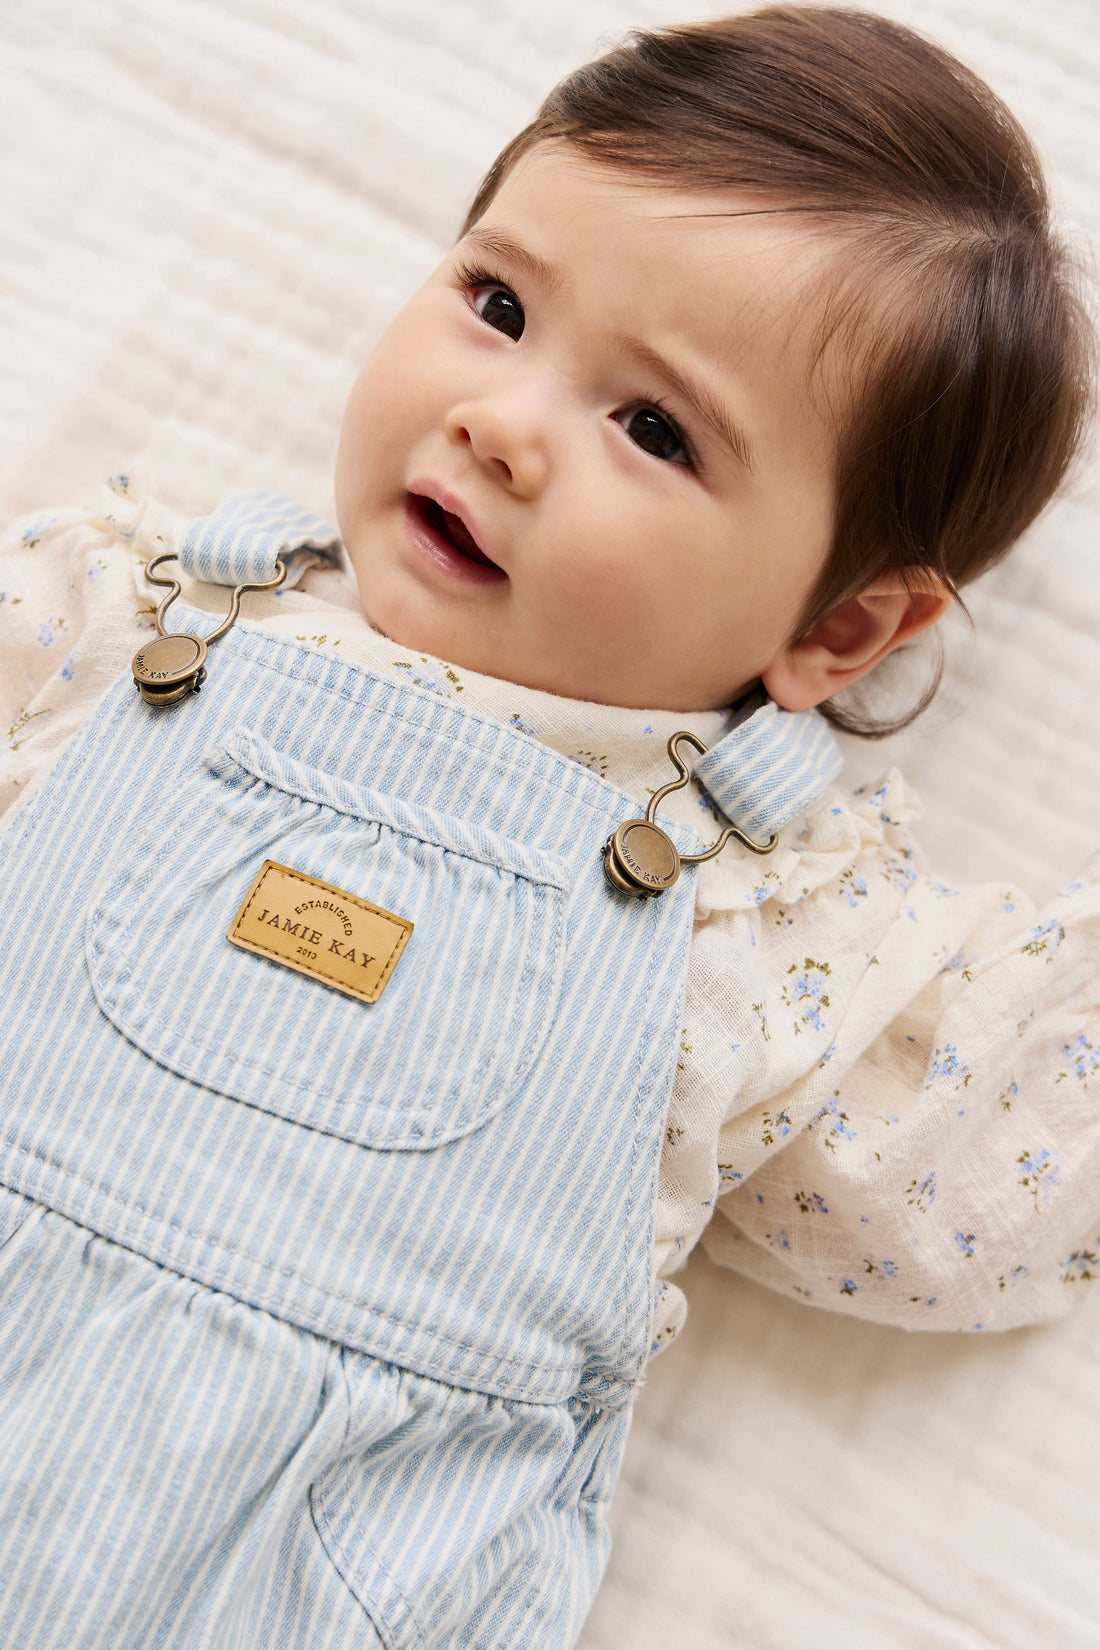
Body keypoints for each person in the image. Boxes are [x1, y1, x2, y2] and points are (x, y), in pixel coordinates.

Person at [0, 8, 1096, 1647]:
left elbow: (990, 1174)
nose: (502, 424)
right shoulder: (117, 621)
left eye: (654, 429)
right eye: (497, 304)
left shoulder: (774, 932)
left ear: (847, 631)